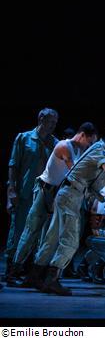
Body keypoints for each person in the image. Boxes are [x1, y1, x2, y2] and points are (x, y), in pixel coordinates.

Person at [28, 132, 105, 296]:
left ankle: (35, 276)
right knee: (70, 240)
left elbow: (96, 183)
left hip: (66, 194)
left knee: (53, 237)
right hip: (70, 196)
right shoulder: (101, 152)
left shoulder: (98, 150)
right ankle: (51, 280)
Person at [6, 122, 98, 287]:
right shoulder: (64, 146)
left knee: (47, 236)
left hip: (57, 194)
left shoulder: (79, 150)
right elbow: (74, 172)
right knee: (31, 231)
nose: (89, 146)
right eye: (89, 142)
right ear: (83, 135)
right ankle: (13, 271)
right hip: (44, 191)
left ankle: (34, 274)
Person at [4, 108, 58, 284]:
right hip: (25, 192)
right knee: (19, 230)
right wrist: (11, 190)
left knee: (38, 232)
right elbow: (13, 165)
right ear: (41, 119)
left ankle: (28, 270)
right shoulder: (24, 138)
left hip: (44, 194)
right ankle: (11, 269)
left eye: (55, 122)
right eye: (51, 121)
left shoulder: (55, 143)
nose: (53, 125)